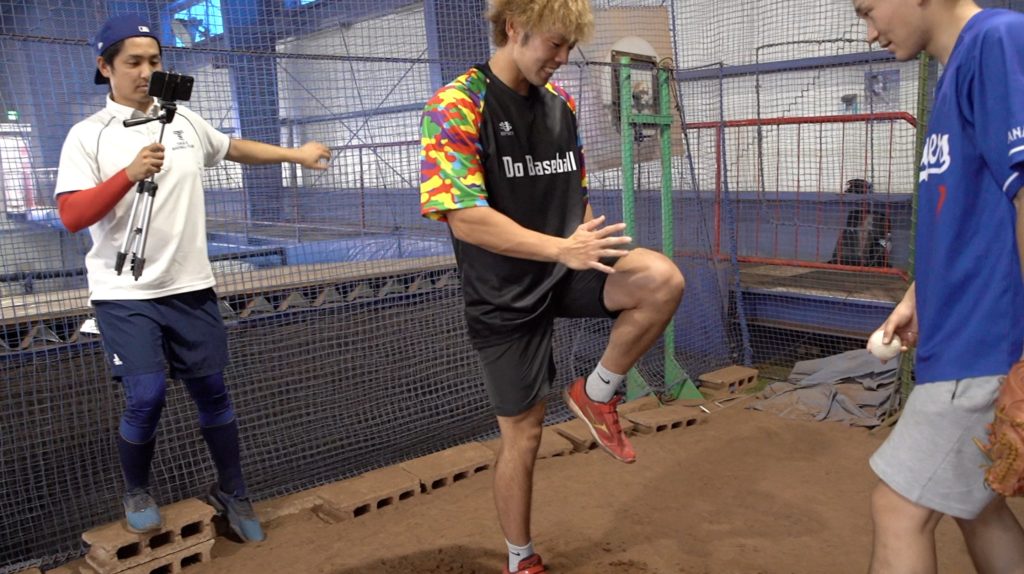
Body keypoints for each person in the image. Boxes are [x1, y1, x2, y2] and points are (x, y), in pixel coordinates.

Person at [419, 1, 684, 571]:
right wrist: (561, 249)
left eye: (569, 47)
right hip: (504, 294)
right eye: (554, 44)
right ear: (515, 27)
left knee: (661, 280)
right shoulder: (456, 105)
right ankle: (521, 558)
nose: (562, 58)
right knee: (526, 434)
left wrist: (585, 242)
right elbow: (465, 218)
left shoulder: (561, 102)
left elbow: (572, 188)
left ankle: (598, 392)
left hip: (570, 265)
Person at [55, 14, 331, 542]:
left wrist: (295, 154)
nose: (146, 72)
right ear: (105, 67)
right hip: (125, 293)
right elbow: (71, 215)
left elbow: (232, 147)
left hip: (191, 287)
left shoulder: (181, 120)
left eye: (154, 61)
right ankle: (137, 490)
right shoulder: (87, 136)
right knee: (146, 396)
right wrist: (128, 174)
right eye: (133, 62)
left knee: (213, 392)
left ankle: (233, 490)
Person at [853, 0, 1024, 571]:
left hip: (986, 340)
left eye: (869, 10)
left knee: (898, 508)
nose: (870, 32)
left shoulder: (998, 40)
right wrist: (919, 297)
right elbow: (971, 216)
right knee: (975, 507)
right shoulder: (956, 69)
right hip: (961, 338)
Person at [829, 178, 891, 268]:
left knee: (882, 242)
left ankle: (866, 261)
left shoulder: (880, 218)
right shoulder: (853, 217)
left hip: (872, 253)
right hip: (852, 257)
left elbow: (886, 239)